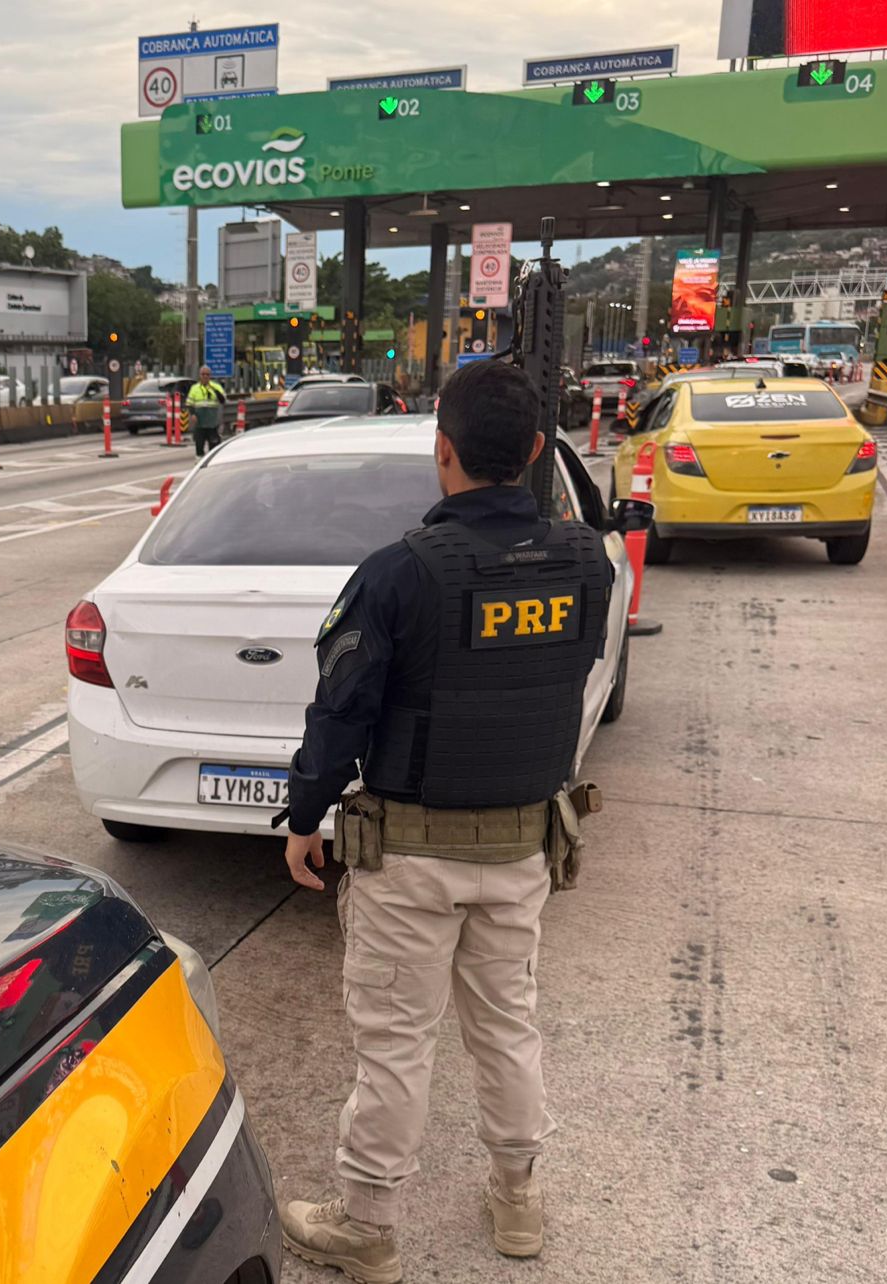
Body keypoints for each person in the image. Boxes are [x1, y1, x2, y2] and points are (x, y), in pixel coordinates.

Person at [277, 360, 612, 1283]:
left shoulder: (397, 574)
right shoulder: (588, 562)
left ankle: (369, 1227)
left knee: (395, 1045)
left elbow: (341, 709)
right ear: (539, 453)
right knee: (509, 1027)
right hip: (523, 849)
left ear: (444, 451)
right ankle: (517, 1203)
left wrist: (305, 814)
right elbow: (569, 682)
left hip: (410, 859)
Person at [186, 365, 226, 457]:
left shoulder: (216, 387)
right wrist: (192, 414)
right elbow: (189, 404)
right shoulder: (194, 388)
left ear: (210, 376)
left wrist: (213, 390)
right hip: (200, 424)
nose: (205, 376)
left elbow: (223, 400)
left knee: (213, 450)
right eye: (203, 374)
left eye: (207, 374)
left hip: (212, 424)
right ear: (200, 375)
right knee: (199, 448)